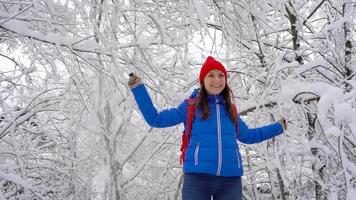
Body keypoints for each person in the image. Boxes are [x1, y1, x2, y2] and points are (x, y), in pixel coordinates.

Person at [128, 56, 287, 200]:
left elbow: (250, 136)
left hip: (230, 180)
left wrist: (279, 126)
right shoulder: (191, 106)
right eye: (211, 75)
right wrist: (138, 89)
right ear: (202, 80)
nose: (217, 80)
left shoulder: (230, 110)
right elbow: (156, 119)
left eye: (221, 75)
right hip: (198, 179)